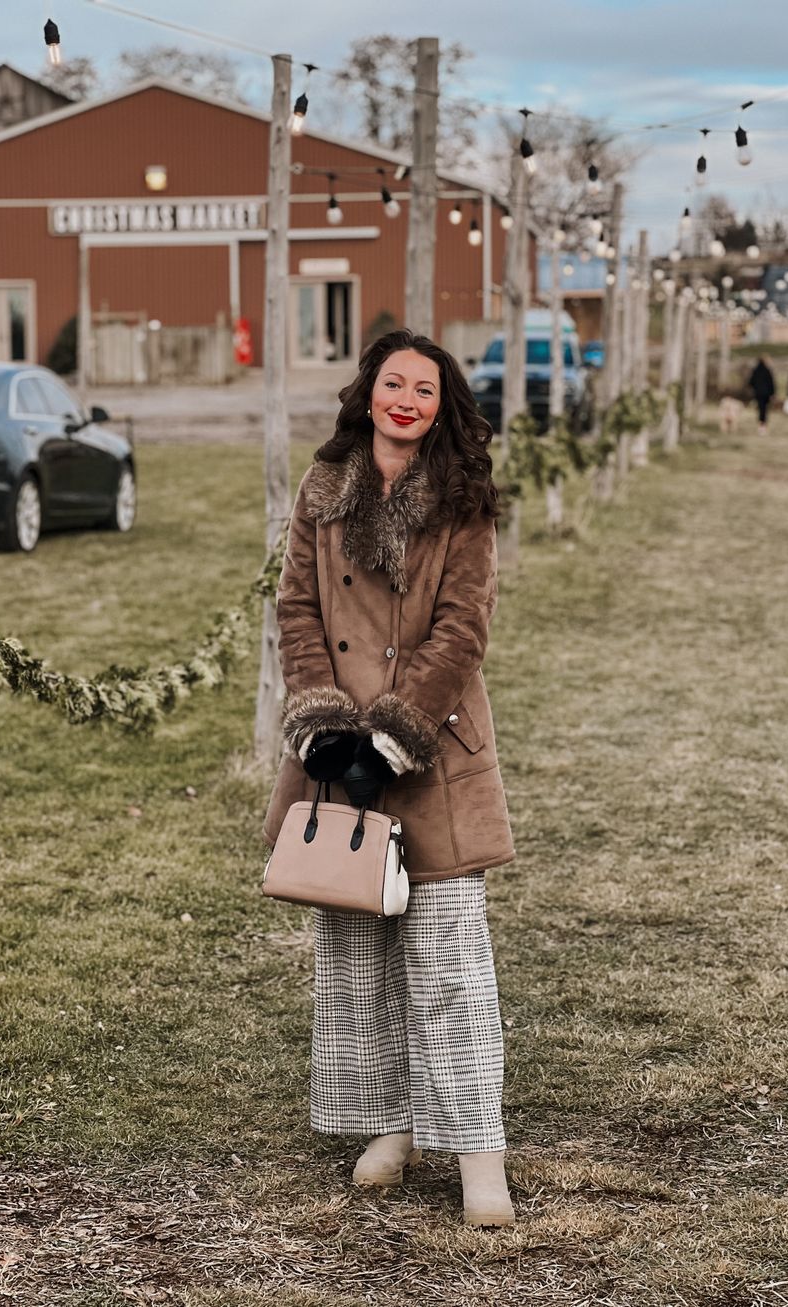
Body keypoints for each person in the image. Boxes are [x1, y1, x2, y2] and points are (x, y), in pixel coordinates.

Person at [263, 329, 516, 1229]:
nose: (406, 399)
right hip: (337, 759)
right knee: (359, 959)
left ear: (442, 408)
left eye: (426, 389)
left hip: (432, 749)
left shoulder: (463, 497)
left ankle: (479, 1149)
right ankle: (392, 1124)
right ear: (369, 390)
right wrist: (324, 724)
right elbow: (297, 605)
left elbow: (462, 628)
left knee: (449, 963)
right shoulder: (322, 487)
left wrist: (393, 738)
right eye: (393, 383)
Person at [747, 357, 775, 434]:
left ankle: (761, 425)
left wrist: (755, 388)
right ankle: (763, 426)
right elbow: (771, 383)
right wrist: (772, 393)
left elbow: (751, 382)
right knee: (765, 410)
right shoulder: (767, 370)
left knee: (760, 409)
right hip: (766, 394)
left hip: (758, 393)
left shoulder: (755, 371)